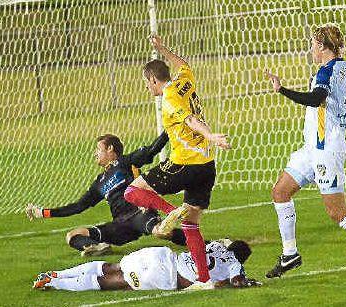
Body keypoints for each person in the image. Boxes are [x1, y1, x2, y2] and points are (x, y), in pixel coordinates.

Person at [265, 23, 346, 286]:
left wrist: (282, 90)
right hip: (312, 148)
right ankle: (290, 254)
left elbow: (316, 98)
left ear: (322, 46)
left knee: (336, 212)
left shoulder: (327, 71)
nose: (311, 49)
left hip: (327, 151)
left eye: (313, 44)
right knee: (280, 192)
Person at [123, 34, 230, 290]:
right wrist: (163, 49)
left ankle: (169, 210)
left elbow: (191, 120)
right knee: (190, 225)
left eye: (146, 84)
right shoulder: (184, 80)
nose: (147, 88)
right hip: (207, 165)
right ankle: (204, 280)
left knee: (132, 191)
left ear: (152, 80)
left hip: (185, 164)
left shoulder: (170, 99)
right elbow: (183, 62)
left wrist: (210, 135)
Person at [26, 132, 186, 257]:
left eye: (98, 149)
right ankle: (95, 247)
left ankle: (203, 244)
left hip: (140, 213)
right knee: (73, 235)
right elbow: (78, 206)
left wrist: (168, 131)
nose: (95, 154)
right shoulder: (99, 182)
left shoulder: (124, 162)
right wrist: (43, 213)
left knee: (161, 232)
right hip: (120, 225)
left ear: (110, 149)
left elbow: (151, 151)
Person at [32, 238, 261, 291]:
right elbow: (238, 281)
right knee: (110, 282)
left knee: (110, 267)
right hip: (165, 275)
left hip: (161, 255)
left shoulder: (216, 246)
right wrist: (249, 282)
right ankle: (55, 283)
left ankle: (58, 273)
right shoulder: (235, 265)